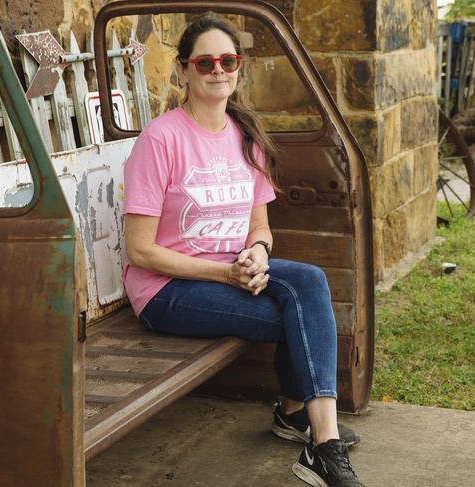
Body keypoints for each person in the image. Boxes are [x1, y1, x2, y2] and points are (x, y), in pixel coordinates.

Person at [122, 12, 365, 487]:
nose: (218, 71)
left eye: (227, 61)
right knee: (299, 318)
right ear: (184, 70)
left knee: (309, 283)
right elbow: (140, 251)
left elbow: (260, 226)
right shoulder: (161, 139)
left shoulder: (245, 136)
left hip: (232, 271)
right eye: (205, 62)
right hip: (167, 288)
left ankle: (317, 436)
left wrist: (255, 251)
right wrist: (224, 275)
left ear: (239, 67)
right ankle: (307, 428)